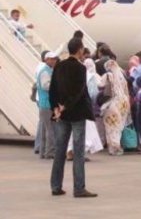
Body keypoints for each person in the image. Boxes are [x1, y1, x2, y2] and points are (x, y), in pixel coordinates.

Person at [49, 37, 97, 198]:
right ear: (80, 50)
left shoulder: (59, 66)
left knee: (60, 149)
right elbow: (78, 91)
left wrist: (56, 107)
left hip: (62, 115)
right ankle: (79, 188)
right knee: (78, 151)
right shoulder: (80, 68)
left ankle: (56, 185)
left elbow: (52, 89)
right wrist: (66, 105)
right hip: (76, 113)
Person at [67, 59, 104, 159]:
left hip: (71, 107)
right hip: (84, 107)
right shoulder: (90, 76)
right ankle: (80, 154)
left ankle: (70, 152)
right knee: (84, 131)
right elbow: (93, 94)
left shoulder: (70, 76)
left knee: (71, 130)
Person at [99, 60, 131, 156]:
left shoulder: (108, 75)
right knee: (118, 126)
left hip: (112, 103)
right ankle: (117, 145)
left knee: (110, 126)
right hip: (124, 103)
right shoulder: (122, 77)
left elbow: (100, 85)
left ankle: (113, 147)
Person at [37, 51, 59, 160]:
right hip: (47, 103)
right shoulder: (45, 72)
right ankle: (50, 152)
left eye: (55, 58)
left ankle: (43, 151)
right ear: (47, 59)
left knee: (45, 129)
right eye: (52, 58)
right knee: (51, 129)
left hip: (45, 103)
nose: (54, 60)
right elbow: (45, 85)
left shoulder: (49, 70)